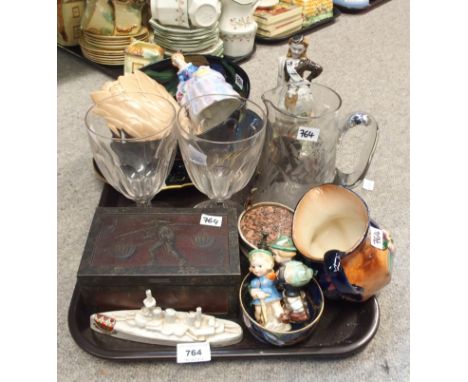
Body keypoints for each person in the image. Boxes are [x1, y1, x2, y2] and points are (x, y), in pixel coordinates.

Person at [270, 235, 314, 323]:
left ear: (283, 254)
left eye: (274, 254)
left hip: (291, 293)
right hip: (291, 291)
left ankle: (300, 314)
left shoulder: (287, 270)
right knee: (290, 301)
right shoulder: (291, 266)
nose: (273, 257)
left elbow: (279, 280)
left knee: (294, 302)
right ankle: (291, 312)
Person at [248, 249, 291, 331]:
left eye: (260, 266)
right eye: (253, 267)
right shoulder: (255, 281)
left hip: (273, 296)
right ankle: (263, 323)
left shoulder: (270, 275)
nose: (256, 270)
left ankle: (282, 321)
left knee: (277, 308)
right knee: (259, 311)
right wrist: (256, 293)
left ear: (268, 265)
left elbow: (277, 280)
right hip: (260, 299)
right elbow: (252, 290)